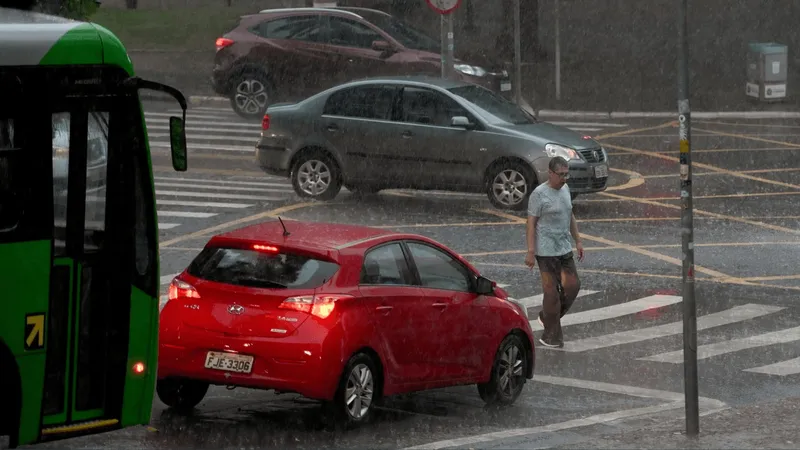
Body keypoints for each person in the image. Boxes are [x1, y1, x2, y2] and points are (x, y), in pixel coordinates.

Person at [524, 156, 585, 348]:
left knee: (573, 286)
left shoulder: (565, 189)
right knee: (551, 293)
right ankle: (551, 337)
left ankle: (547, 317)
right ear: (550, 173)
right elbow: (531, 223)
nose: (564, 178)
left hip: (564, 247)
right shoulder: (539, 194)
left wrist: (578, 241)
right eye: (561, 175)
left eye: (566, 174)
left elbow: (570, 215)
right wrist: (531, 251)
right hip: (546, 251)